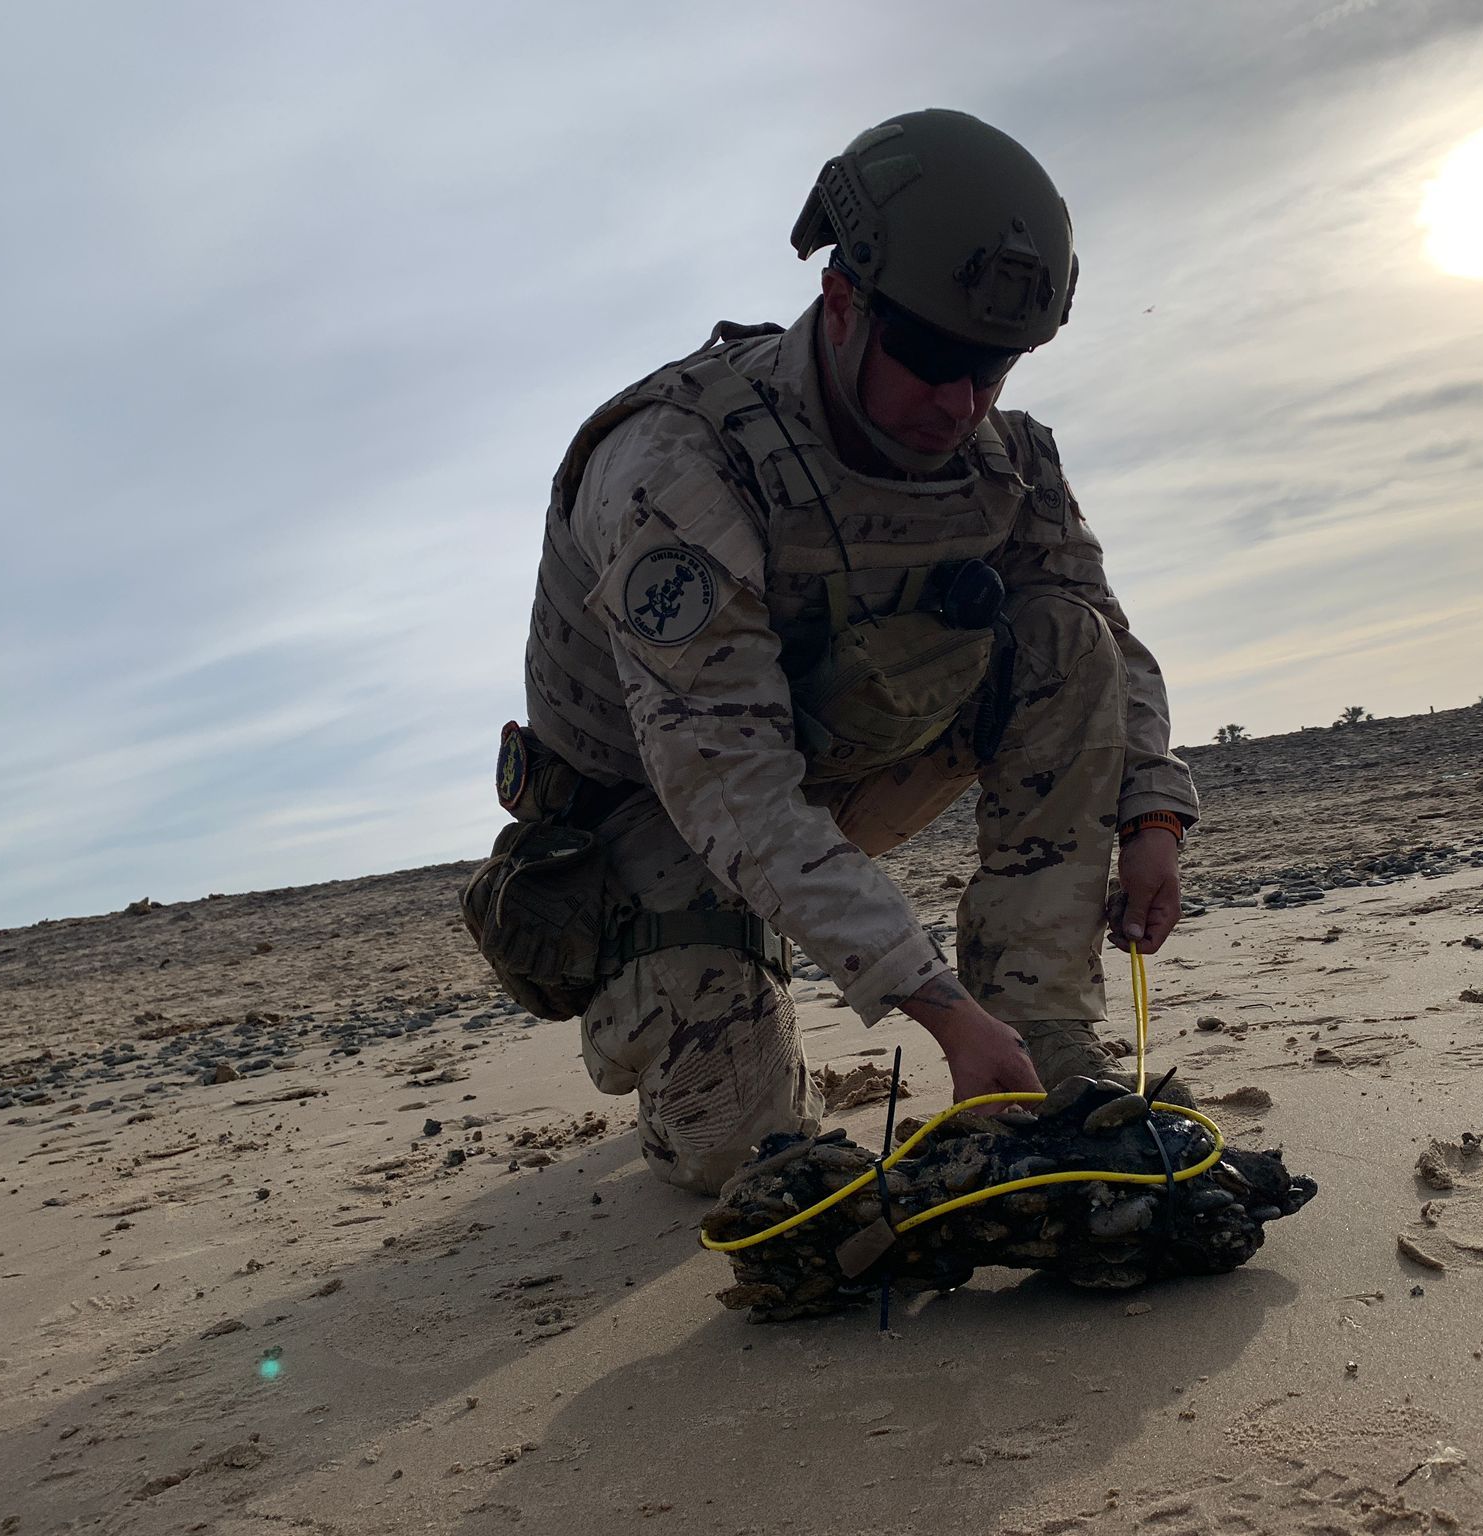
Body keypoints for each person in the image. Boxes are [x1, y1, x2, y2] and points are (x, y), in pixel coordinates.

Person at [465, 109, 1199, 1196]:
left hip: (846, 767)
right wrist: (940, 1008)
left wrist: (1149, 815)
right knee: (737, 1153)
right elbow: (729, 782)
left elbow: (1103, 639)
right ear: (842, 300)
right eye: (935, 360)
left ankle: (1043, 1034)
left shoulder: (1005, 462)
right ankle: (678, 1012)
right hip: (653, 814)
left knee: (1062, 639)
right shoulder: (674, 464)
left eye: (991, 368)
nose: (961, 404)